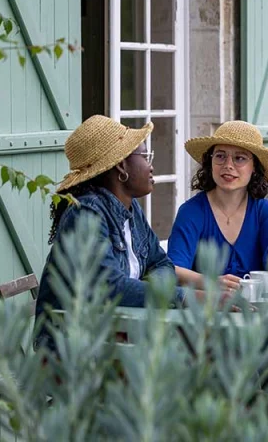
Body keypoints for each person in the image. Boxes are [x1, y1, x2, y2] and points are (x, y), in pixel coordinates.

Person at [167, 120, 268, 416]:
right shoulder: (192, 211)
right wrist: (210, 283)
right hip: (207, 327)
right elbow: (173, 268)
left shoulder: (265, 212)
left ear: (255, 168)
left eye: (240, 158)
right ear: (209, 162)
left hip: (261, 328)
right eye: (220, 156)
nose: (228, 165)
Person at [35, 115, 186, 349]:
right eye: (145, 156)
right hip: (73, 352)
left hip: (121, 337)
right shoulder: (85, 214)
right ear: (121, 165)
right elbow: (111, 288)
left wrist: (151, 289)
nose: (151, 165)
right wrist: (185, 297)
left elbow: (161, 263)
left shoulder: (130, 208)